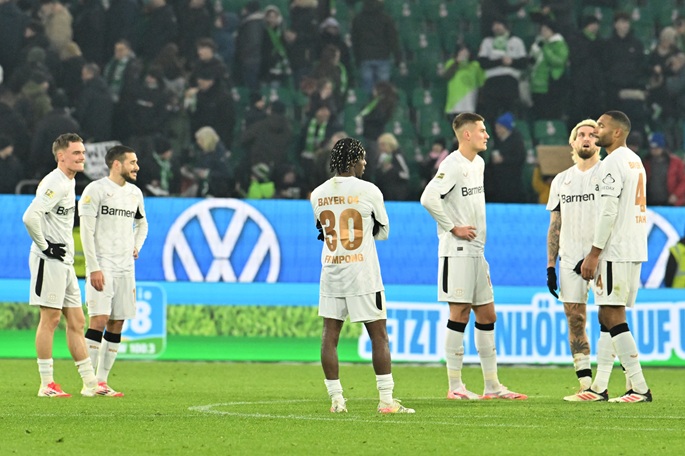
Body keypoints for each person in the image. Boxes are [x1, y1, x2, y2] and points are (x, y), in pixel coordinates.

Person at [420, 113, 527, 401]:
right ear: (466, 135)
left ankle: (492, 385)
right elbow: (428, 198)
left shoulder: (477, 164)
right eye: (481, 130)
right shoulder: (452, 165)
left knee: (487, 314)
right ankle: (455, 385)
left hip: (477, 251)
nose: (487, 135)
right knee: (459, 313)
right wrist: (453, 227)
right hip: (457, 251)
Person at [310, 137, 414, 414]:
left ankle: (336, 401)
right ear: (354, 160)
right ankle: (386, 401)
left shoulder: (317, 194)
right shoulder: (370, 191)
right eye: (363, 158)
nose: (366, 163)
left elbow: (322, 230)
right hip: (363, 273)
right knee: (378, 335)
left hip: (332, 270)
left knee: (329, 335)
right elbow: (383, 231)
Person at [579, 111, 652, 402]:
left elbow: (608, 212)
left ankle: (639, 386)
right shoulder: (635, 160)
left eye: (602, 125)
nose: (596, 130)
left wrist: (594, 253)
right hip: (634, 247)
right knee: (606, 313)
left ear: (618, 132)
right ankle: (599, 387)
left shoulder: (611, 164)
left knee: (612, 313)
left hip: (615, 249)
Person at [22, 132, 99, 397]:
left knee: (77, 320)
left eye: (83, 153)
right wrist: (46, 247)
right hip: (48, 260)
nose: (82, 157)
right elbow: (30, 217)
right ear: (61, 156)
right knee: (50, 319)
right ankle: (46, 384)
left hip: (63, 262)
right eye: (76, 153)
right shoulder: (55, 183)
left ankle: (90, 383)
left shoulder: (69, 181)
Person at [546, 119, 612, 400]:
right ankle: (586, 384)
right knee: (575, 318)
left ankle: (607, 378)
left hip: (603, 256)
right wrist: (551, 265)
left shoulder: (608, 173)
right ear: (572, 143)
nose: (587, 138)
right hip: (569, 257)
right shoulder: (561, 180)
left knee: (609, 316)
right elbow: (555, 224)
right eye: (581, 134)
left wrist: (596, 253)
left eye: (592, 134)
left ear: (599, 142)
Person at [79, 145, 148, 397]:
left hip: (125, 268)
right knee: (98, 319)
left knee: (117, 322)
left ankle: (102, 381)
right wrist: (93, 267)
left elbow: (142, 224)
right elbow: (85, 232)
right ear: (116, 164)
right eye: (132, 162)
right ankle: (89, 383)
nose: (137, 167)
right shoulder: (95, 191)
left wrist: (136, 246)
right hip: (103, 265)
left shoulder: (135, 194)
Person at [643, 132, 685, 207]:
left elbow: (683, 180)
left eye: (657, 148)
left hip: (670, 203)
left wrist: (676, 195)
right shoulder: (646, 163)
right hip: (650, 202)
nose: (654, 150)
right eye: (652, 148)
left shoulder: (675, 162)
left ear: (663, 147)